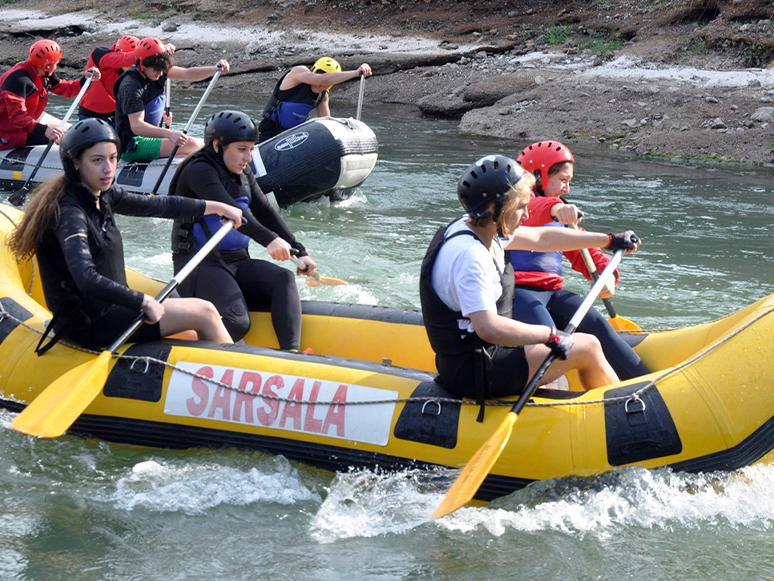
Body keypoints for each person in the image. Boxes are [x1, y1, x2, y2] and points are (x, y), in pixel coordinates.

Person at [419, 154, 641, 409]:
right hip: (477, 369)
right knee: (588, 347)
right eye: (521, 206)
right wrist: (550, 335)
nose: (526, 214)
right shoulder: (472, 256)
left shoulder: (477, 226)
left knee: (580, 343)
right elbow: (488, 328)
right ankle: (622, 413)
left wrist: (609, 240)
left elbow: (543, 239)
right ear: (496, 208)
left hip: (481, 355)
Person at [7, 118, 242, 353]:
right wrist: (142, 300)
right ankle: (239, 382)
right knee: (206, 312)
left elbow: (159, 206)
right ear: (75, 163)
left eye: (112, 158)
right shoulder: (69, 212)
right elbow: (86, 278)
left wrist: (217, 207)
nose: (108, 169)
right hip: (89, 323)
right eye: (97, 160)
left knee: (191, 335)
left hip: (112, 309)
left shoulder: (103, 194)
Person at [169, 110, 317, 350]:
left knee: (283, 279)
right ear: (217, 145)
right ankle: (172, 335)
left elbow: (265, 211)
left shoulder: (243, 171)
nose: (248, 157)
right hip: (199, 265)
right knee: (238, 322)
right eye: (241, 149)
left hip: (237, 261)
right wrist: (270, 240)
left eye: (250, 149)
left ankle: (291, 355)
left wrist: (299, 250)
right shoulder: (199, 170)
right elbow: (230, 210)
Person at [511, 140, 650, 380]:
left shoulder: (561, 211)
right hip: (516, 294)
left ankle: (648, 382)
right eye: (563, 180)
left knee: (598, 327)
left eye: (569, 182)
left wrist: (608, 275)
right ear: (539, 176)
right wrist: (555, 208)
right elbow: (532, 210)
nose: (567, 189)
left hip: (552, 293)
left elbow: (583, 250)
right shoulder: (514, 205)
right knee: (552, 342)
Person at [114, 36, 229, 163]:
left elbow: (187, 74)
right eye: (157, 68)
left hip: (150, 137)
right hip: (133, 143)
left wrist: (214, 69)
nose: (160, 73)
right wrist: (170, 134)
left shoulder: (157, 70)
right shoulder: (131, 86)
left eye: (163, 68)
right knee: (192, 145)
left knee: (199, 146)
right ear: (142, 64)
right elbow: (137, 126)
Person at [0, 39, 100, 150]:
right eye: (56, 64)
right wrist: (45, 130)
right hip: (5, 134)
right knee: (61, 138)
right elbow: (17, 116)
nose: (56, 66)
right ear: (48, 66)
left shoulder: (43, 74)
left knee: (67, 134)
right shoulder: (17, 81)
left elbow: (66, 88)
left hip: (19, 128)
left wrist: (85, 80)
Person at [258, 57, 372, 142]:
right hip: (270, 131)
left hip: (292, 137)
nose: (321, 85)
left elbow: (326, 122)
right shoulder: (298, 73)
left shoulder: (323, 96)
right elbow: (322, 80)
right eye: (320, 74)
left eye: (328, 83)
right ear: (315, 71)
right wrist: (356, 73)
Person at [78, 35, 140, 125]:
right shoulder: (99, 55)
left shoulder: (135, 71)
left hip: (117, 115)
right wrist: (150, 52)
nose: (132, 65)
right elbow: (125, 59)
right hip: (90, 115)